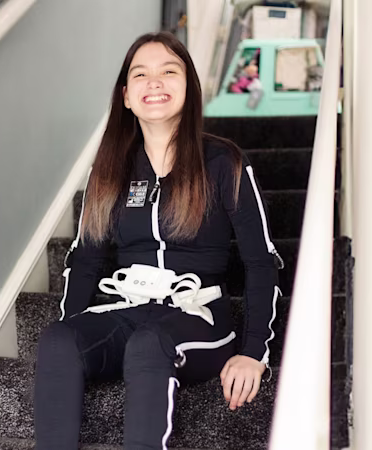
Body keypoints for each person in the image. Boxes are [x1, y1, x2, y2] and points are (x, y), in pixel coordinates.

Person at [34, 31, 282, 450]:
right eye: (140, 74)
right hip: (128, 310)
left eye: (169, 72)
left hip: (200, 317)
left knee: (149, 344)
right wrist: (75, 330)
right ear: (126, 97)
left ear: (189, 88)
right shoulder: (110, 170)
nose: (154, 82)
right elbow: (86, 259)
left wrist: (253, 352)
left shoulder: (224, 162)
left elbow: (261, 262)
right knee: (58, 341)